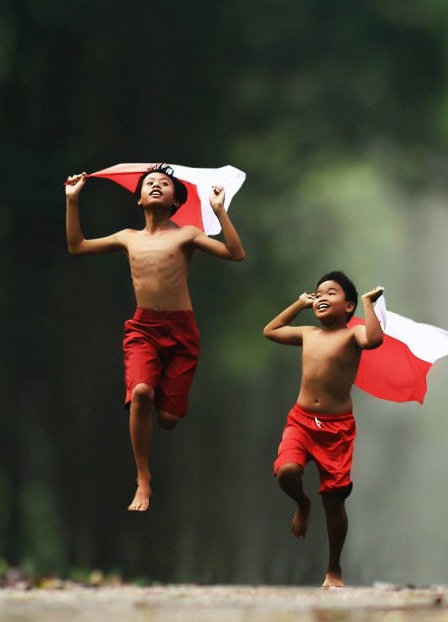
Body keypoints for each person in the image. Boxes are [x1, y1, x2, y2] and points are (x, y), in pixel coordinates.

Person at [64, 163, 246, 512]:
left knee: (168, 420)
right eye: (149, 183)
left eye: (164, 183)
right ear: (139, 199)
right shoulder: (127, 237)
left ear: (177, 200)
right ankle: (143, 479)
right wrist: (73, 200)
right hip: (143, 329)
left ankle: (160, 388)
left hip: (181, 332)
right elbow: (77, 245)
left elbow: (235, 253)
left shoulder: (187, 235)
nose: (156, 186)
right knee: (142, 394)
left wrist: (220, 212)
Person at [263, 271, 384, 588]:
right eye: (318, 293)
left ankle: (334, 570)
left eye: (331, 293)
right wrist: (298, 304)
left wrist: (370, 306)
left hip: (337, 429)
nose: (322, 297)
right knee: (287, 471)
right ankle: (302, 503)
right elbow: (270, 331)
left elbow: (374, 340)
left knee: (334, 500)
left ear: (348, 306)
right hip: (301, 421)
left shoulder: (352, 336)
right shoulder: (307, 334)